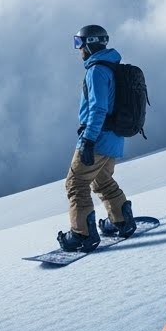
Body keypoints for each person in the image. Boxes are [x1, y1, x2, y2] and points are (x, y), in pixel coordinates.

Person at [58, 24, 137, 251]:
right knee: (102, 181)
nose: (78, 48)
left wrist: (88, 141)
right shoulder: (111, 66)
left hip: (98, 138)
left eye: (79, 43)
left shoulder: (96, 71)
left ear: (90, 44)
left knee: (75, 184)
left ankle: (82, 235)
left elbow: (98, 108)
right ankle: (121, 220)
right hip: (114, 138)